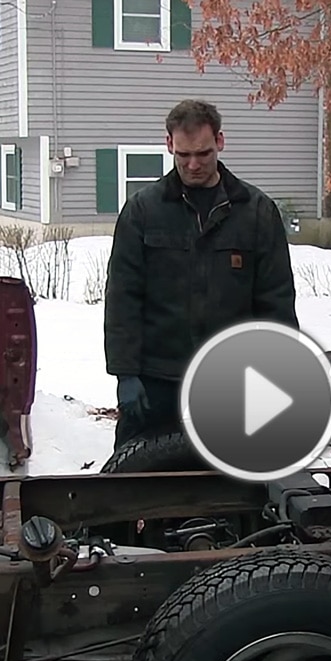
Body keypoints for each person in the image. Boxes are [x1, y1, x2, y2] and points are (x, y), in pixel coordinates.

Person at [102, 99, 299, 451]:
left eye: (203, 154)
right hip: (157, 381)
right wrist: (125, 373)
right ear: (169, 145)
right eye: (184, 155)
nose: (193, 165)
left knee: (234, 478)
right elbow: (123, 298)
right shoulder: (142, 212)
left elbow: (276, 302)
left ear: (220, 142)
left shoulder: (255, 213)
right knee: (134, 478)